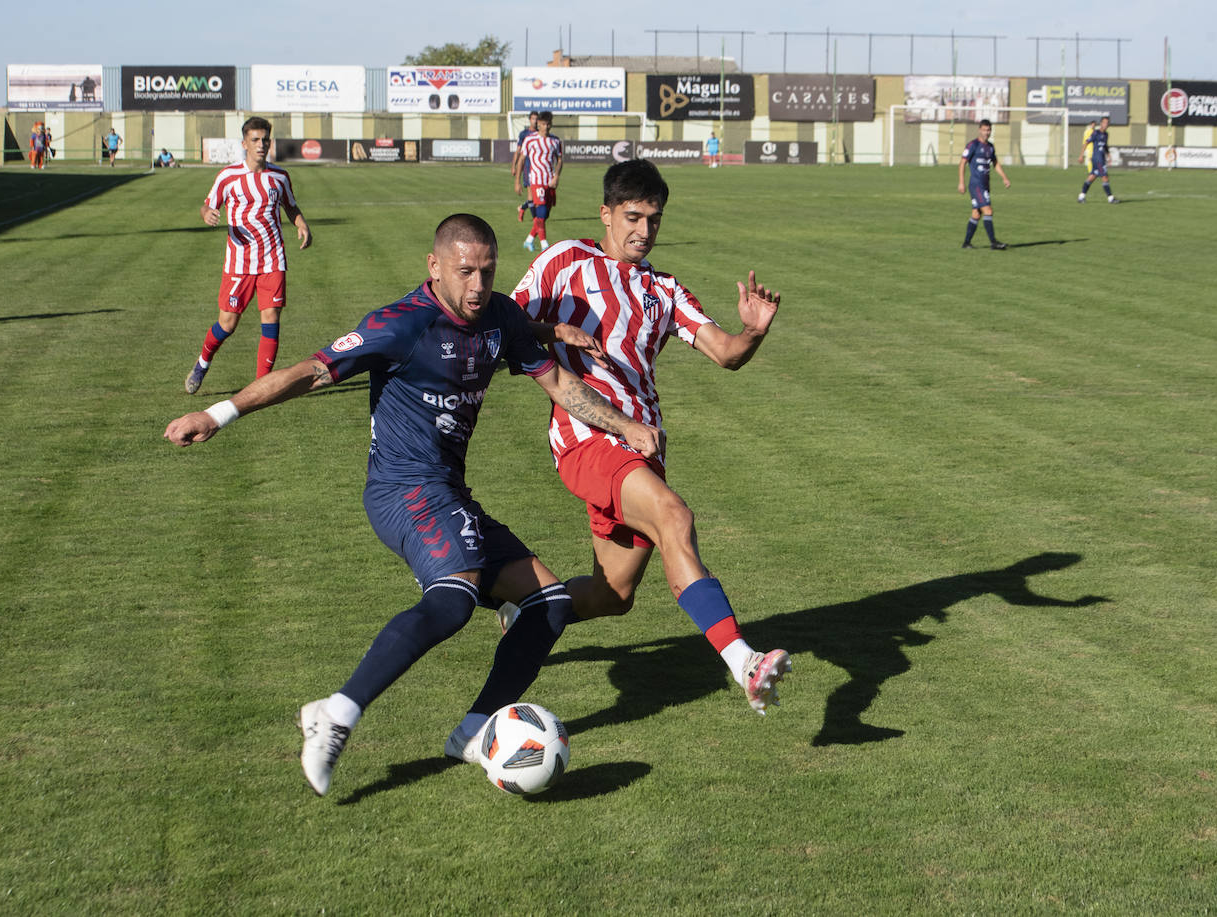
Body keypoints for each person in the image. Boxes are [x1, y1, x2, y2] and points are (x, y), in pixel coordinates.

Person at [163, 214, 662, 797]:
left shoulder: (500, 315)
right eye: (465, 271)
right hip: (402, 488)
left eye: (487, 270)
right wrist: (217, 415)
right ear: (436, 267)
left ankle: (474, 731)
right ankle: (337, 712)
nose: (478, 284)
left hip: (448, 491)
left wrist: (626, 424)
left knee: (549, 603)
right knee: (455, 598)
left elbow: (558, 384)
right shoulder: (402, 324)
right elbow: (309, 372)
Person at [443, 159, 791, 762]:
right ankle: (745, 663)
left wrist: (753, 333)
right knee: (675, 519)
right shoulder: (564, 261)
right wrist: (555, 332)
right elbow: (506, 321)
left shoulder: (665, 289)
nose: (644, 231)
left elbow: (725, 354)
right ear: (606, 214)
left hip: (643, 446)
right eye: (632, 217)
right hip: (586, 437)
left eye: (653, 220)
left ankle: (522, 609)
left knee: (614, 594)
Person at [185, 117, 312, 394]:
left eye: (265, 139)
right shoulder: (228, 177)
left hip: (272, 259)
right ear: (244, 144)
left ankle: (261, 386)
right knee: (227, 324)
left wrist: (301, 224)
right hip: (239, 263)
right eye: (255, 140)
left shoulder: (279, 176)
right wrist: (208, 214)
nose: (261, 145)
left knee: (271, 317)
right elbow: (207, 206)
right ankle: (202, 363)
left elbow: (290, 206)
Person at [957, 119, 1010, 250]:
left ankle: (966, 243)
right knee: (988, 210)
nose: (987, 133)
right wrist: (961, 182)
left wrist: (1004, 178)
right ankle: (993, 242)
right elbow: (962, 163)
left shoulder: (990, 147)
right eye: (985, 130)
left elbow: (995, 163)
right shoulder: (972, 145)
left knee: (976, 214)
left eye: (989, 130)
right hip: (976, 185)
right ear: (979, 130)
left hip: (985, 185)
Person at [517, 111, 562, 252]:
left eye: (548, 124)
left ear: (551, 124)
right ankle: (545, 245)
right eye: (543, 124)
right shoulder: (530, 139)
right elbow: (521, 160)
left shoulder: (555, 141)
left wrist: (556, 176)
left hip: (550, 182)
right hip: (536, 181)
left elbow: (560, 160)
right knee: (541, 212)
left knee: (545, 215)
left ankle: (529, 240)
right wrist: (517, 181)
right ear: (539, 124)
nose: (546, 127)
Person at [1078, 115, 1118, 204]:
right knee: (1105, 177)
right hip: (1097, 160)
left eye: (1107, 123)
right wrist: (1081, 155)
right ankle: (1111, 198)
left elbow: (1105, 146)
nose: (1106, 124)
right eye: (1104, 123)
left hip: (1101, 159)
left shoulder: (1106, 134)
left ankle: (1081, 196)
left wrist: (1108, 155)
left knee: (1092, 177)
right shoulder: (1096, 133)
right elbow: (1086, 143)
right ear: (1101, 123)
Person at [512, 111, 539, 222]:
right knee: (531, 195)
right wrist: (514, 165)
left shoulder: (540, 134)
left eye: (537, 119)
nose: (535, 121)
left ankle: (523, 208)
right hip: (528, 167)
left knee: (539, 197)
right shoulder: (524, 134)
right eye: (533, 119)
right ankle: (535, 219)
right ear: (530, 120)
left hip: (540, 169)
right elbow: (518, 151)